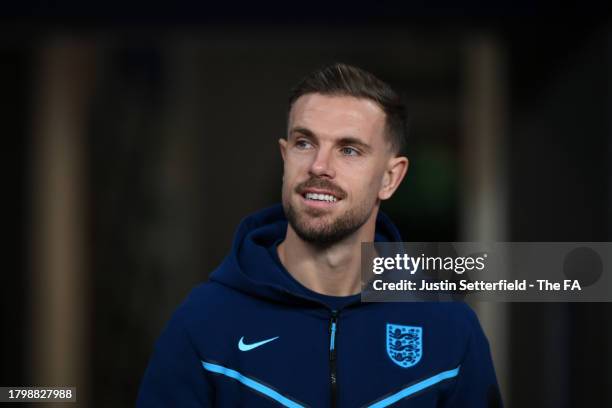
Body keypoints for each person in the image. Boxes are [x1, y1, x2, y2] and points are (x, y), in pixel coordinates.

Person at [136, 63, 503, 407]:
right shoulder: (203, 323)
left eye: (348, 150)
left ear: (390, 178)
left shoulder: (450, 328)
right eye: (304, 143)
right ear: (285, 157)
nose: (319, 166)